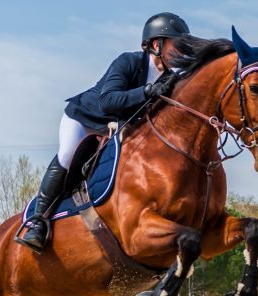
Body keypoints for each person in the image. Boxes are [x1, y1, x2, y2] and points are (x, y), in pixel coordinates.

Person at [16, 12, 190, 252]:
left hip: (118, 128)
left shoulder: (171, 78)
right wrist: (147, 91)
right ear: (155, 44)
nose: (180, 53)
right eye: (175, 46)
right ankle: (37, 220)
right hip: (86, 118)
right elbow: (108, 101)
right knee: (67, 155)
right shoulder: (128, 62)